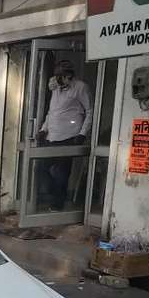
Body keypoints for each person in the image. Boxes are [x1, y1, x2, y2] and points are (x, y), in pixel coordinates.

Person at [38, 60, 92, 210]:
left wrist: (82, 133)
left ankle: (57, 205)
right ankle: (51, 194)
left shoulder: (80, 88)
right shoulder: (55, 88)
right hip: (52, 136)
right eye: (56, 76)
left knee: (62, 173)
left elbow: (90, 111)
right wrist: (44, 129)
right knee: (42, 168)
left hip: (69, 136)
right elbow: (52, 112)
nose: (57, 79)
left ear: (68, 75)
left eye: (60, 76)